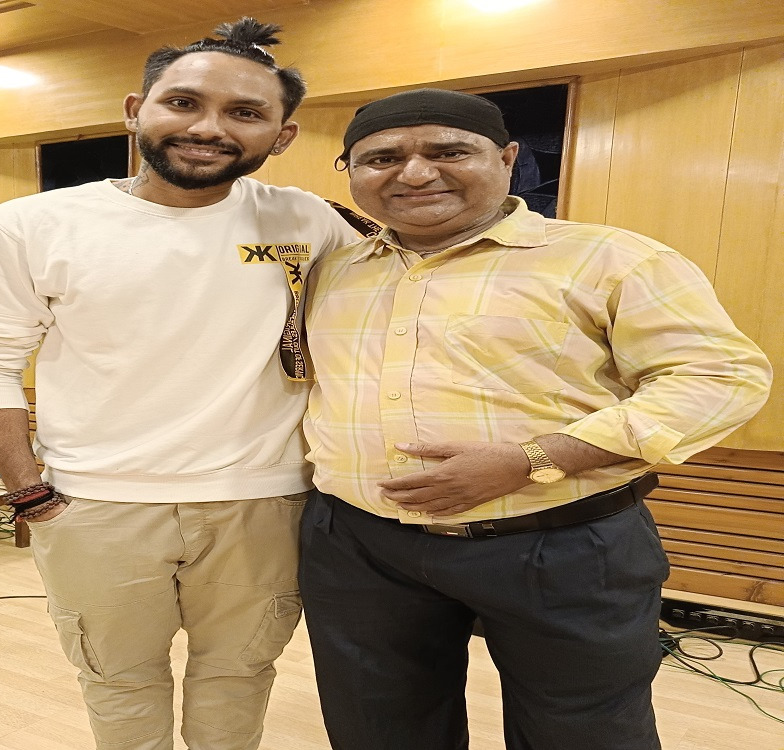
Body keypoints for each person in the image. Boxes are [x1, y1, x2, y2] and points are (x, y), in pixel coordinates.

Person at [298, 88, 773, 750]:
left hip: (560, 545)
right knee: (378, 730)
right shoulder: (329, 271)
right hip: (360, 548)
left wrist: (535, 459)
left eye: (448, 152)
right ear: (350, 172)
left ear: (508, 158)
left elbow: (719, 378)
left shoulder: (610, 258)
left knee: (584, 735)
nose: (415, 173)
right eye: (382, 158)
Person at [0, 18, 361, 750]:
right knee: (118, 681)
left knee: (240, 676)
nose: (209, 128)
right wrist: (29, 492)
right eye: (183, 103)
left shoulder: (309, 220)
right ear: (136, 110)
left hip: (264, 501)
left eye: (245, 112)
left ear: (282, 135)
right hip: (94, 505)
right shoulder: (26, 226)